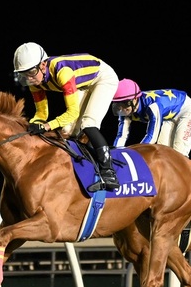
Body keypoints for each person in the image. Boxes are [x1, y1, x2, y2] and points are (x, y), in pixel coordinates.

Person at [13, 42, 120, 191]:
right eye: (23, 74)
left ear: (43, 65)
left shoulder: (63, 72)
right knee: (67, 131)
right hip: (82, 83)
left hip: (102, 78)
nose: (28, 78)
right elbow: (42, 113)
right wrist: (34, 124)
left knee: (88, 123)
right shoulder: (34, 81)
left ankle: (109, 173)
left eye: (31, 72)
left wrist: (47, 126)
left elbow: (72, 112)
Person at [111, 78, 191, 157]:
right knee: (163, 152)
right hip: (168, 116)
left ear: (135, 99)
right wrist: (114, 154)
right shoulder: (125, 111)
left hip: (187, 111)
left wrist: (135, 154)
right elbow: (121, 136)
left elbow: (151, 137)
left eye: (124, 103)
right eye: (118, 104)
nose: (121, 109)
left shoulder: (153, 106)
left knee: (179, 154)